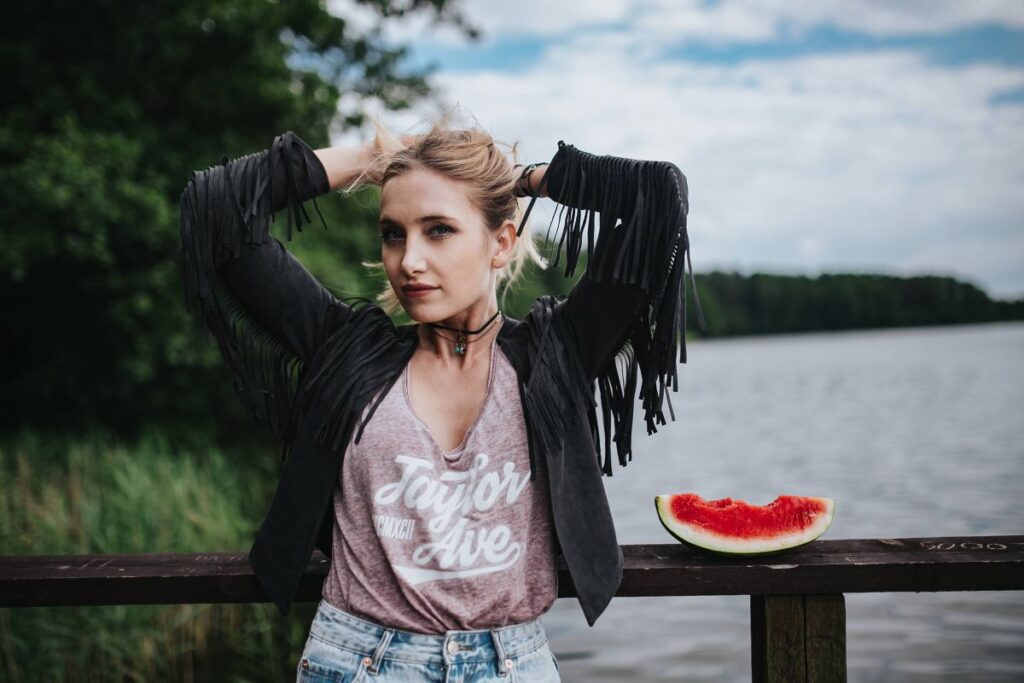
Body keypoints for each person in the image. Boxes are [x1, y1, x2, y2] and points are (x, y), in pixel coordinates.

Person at [178, 109, 702, 682]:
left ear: (501, 242)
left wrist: (523, 179)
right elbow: (219, 207)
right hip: (358, 662)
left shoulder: (557, 354)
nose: (410, 261)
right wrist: (375, 160)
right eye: (392, 234)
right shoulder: (345, 350)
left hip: (513, 665)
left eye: (439, 229)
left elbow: (660, 196)